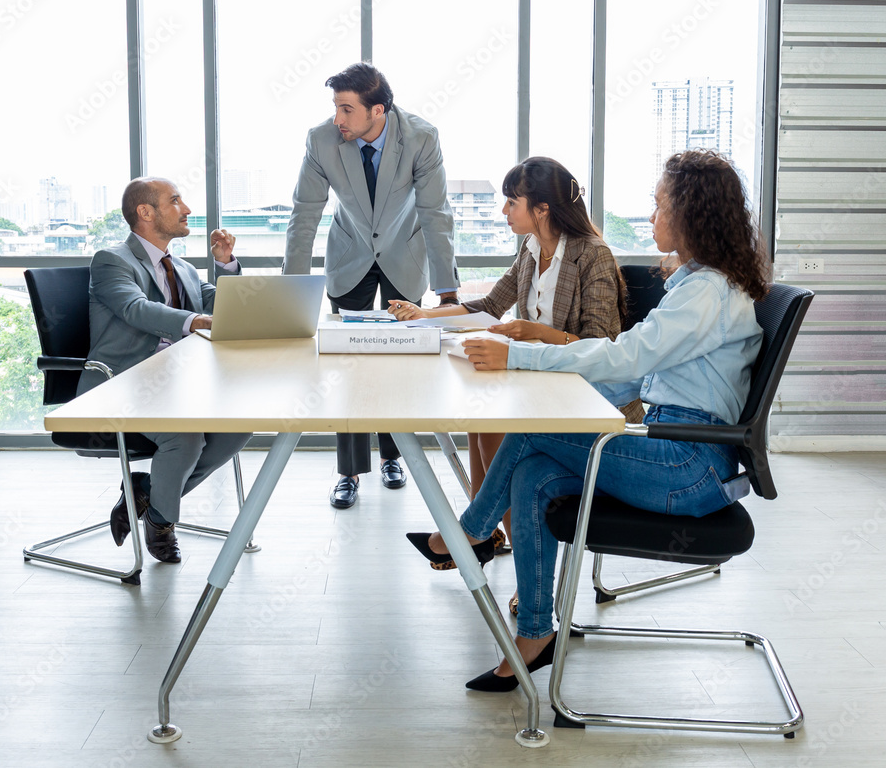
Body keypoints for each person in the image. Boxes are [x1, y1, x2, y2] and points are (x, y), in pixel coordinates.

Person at [407, 149, 770, 691]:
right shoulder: (698, 287)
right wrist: (548, 381)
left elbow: (623, 357)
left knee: (534, 433)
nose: (651, 219)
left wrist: (524, 358)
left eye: (658, 206)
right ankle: (534, 633)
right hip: (673, 446)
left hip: (691, 463)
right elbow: (635, 377)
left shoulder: (708, 294)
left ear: (691, 214)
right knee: (533, 476)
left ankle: (471, 532)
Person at [390, 157, 644, 614]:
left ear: (542, 209)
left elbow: (602, 344)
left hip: (586, 385)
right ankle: (486, 533)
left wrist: (537, 334)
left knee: (496, 423)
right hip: (541, 372)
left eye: (511, 202)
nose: (504, 212)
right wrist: (423, 312)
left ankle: (486, 537)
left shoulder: (592, 255)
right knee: (480, 416)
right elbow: (489, 305)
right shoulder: (529, 248)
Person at [283, 62, 460, 509]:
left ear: (377, 109)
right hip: (350, 256)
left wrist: (448, 290)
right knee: (348, 366)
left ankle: (392, 455)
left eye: (346, 109)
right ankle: (349, 472)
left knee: (397, 363)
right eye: (336, 108)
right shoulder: (322, 139)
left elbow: (436, 213)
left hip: (405, 256)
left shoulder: (421, 137)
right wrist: (292, 289)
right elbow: (304, 214)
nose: (338, 119)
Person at [78, 177, 252, 563]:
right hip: (122, 384)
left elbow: (224, 305)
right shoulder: (112, 261)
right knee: (184, 436)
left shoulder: (184, 269)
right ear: (145, 212)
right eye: (175, 201)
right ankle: (163, 524)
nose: (187, 209)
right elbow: (135, 309)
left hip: (181, 383)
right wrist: (196, 321)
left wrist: (224, 265)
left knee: (240, 423)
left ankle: (148, 496)